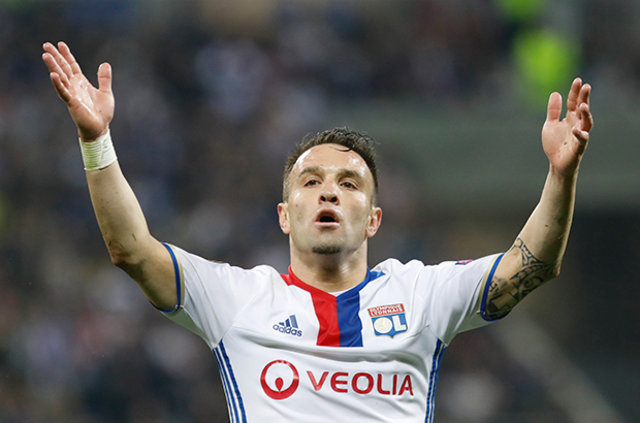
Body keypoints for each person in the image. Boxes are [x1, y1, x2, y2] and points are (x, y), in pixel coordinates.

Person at [42, 41, 593, 422]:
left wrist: (560, 176)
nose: (329, 192)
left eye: (349, 184)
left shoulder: (421, 295)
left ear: (374, 219)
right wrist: (96, 141)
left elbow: (532, 266)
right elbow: (132, 250)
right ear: (285, 214)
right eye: (311, 182)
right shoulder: (238, 298)